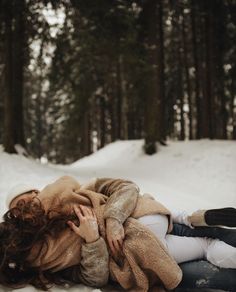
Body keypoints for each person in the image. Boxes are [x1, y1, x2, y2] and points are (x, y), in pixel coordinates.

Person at [0, 176, 235, 291]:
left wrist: (113, 219)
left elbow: (125, 187)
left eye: (32, 197)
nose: (29, 205)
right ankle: (189, 217)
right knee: (207, 261)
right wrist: (91, 240)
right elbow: (95, 279)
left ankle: (189, 219)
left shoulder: (75, 192)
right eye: (19, 206)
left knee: (209, 242)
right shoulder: (49, 256)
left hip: (140, 225)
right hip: (142, 248)